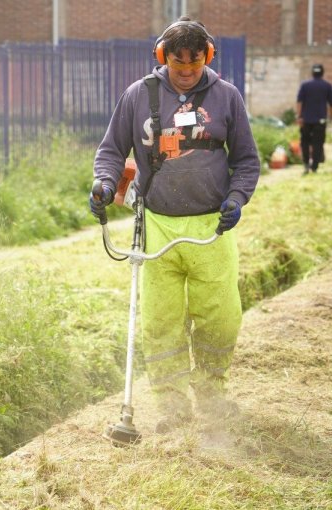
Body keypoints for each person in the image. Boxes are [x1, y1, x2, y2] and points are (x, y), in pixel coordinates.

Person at [89, 17, 260, 433]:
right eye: (178, 63)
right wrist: (104, 182)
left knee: (219, 317)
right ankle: (171, 406)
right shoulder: (138, 95)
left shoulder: (226, 97)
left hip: (211, 227)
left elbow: (247, 161)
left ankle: (212, 393)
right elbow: (112, 150)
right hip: (157, 224)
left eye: (194, 63)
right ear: (163, 57)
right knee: (161, 320)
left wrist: (236, 199)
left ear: (208, 56)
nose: (186, 72)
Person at [296, 64, 332, 174]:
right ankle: (315, 167)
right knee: (318, 143)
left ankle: (306, 165)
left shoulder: (305, 85)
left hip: (306, 120)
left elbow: (299, 102)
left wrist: (299, 116)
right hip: (320, 120)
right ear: (322, 73)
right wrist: (331, 118)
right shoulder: (327, 86)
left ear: (312, 73)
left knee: (305, 142)